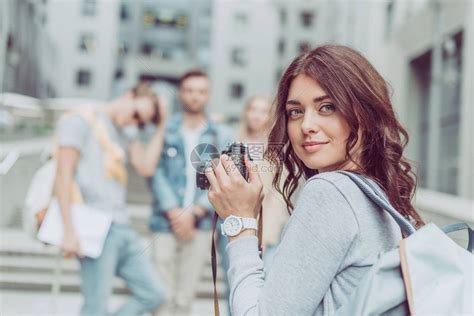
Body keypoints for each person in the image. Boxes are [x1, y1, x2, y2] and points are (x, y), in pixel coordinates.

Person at [204, 45, 425, 315]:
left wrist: (240, 223)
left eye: (327, 107)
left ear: (365, 115)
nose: (307, 125)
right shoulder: (376, 192)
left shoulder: (331, 191)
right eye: (295, 111)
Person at [55, 82, 167, 316]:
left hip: (122, 227)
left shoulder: (125, 132)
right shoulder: (80, 120)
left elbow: (146, 167)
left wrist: (161, 126)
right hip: (94, 224)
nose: (135, 123)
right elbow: (63, 174)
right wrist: (68, 231)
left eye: (142, 123)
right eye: (136, 114)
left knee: (154, 293)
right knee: (95, 306)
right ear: (128, 94)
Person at [149, 69, 233, 316]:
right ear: (180, 93)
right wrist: (174, 211)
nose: (195, 96)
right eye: (189, 91)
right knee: (161, 296)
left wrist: (195, 212)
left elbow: (223, 175)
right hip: (164, 222)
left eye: (201, 91)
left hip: (201, 224)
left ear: (207, 95)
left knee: (185, 297)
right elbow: (154, 170)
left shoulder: (221, 134)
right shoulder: (164, 129)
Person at [236, 95, 290, 271]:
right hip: (236, 223)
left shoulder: (275, 150)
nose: (257, 116)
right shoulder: (235, 143)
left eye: (263, 111)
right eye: (253, 109)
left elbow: (278, 195)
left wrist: (266, 234)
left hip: (264, 229)